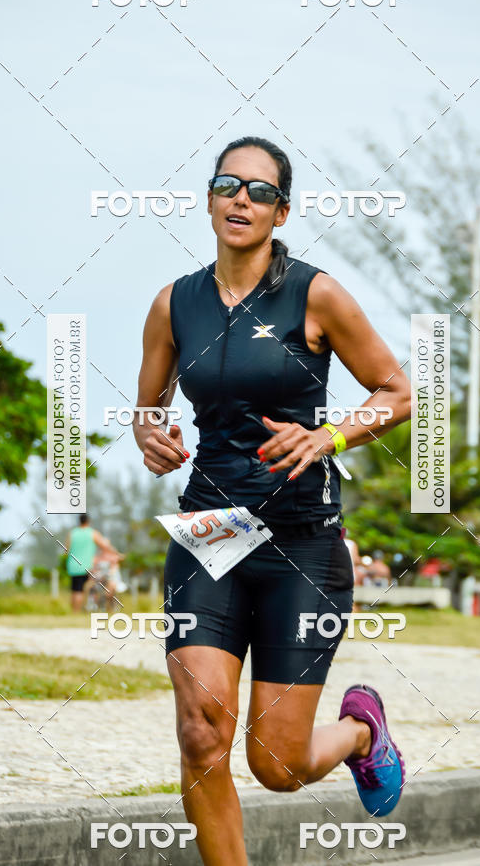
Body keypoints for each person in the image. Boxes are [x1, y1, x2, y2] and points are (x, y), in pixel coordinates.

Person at [133, 136, 412, 866]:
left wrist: (331, 438)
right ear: (208, 198)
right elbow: (148, 407)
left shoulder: (315, 294)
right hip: (211, 529)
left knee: (277, 766)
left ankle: (361, 732)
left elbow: (398, 391)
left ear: (281, 211)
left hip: (302, 539)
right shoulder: (174, 304)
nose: (241, 199)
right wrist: (149, 434)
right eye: (228, 184)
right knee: (200, 732)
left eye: (259, 191)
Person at [64, 513, 120, 612]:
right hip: (86, 566)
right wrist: (116, 553)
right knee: (84, 590)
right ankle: (79, 611)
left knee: (75, 589)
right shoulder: (92, 533)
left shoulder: (72, 533)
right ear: (88, 521)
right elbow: (105, 546)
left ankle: (74, 611)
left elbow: (66, 549)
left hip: (72, 565)